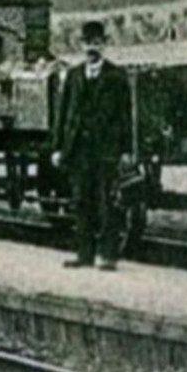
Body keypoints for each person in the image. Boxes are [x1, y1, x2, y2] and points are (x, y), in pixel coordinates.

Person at [51, 19, 134, 270]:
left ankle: (107, 256)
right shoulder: (73, 76)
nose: (92, 48)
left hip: (106, 150)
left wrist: (127, 150)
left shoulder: (117, 77)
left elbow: (125, 116)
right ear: (81, 45)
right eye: (88, 43)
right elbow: (62, 115)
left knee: (107, 203)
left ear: (105, 45)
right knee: (81, 202)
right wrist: (57, 148)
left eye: (97, 43)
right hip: (78, 150)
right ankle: (84, 254)